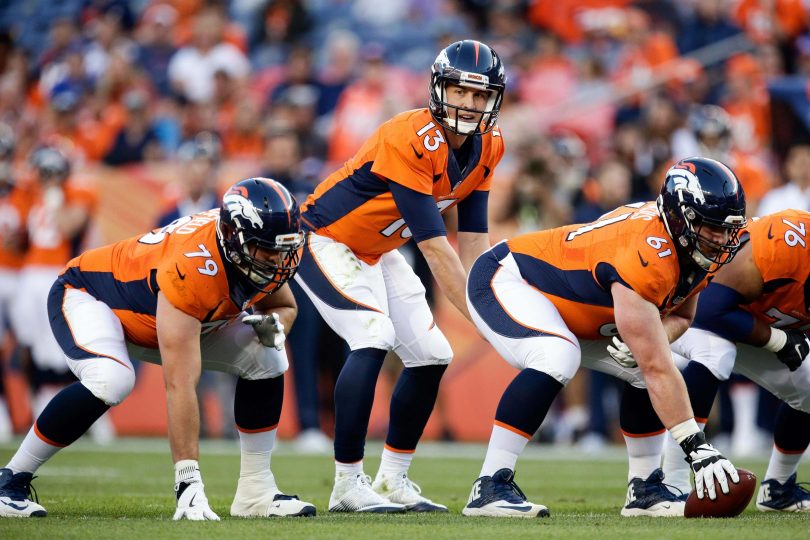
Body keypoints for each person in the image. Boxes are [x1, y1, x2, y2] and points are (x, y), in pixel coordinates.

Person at [0, 177, 316, 520]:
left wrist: (275, 328)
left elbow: (285, 306)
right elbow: (179, 383)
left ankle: (256, 491)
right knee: (113, 379)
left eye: (283, 248)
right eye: (267, 249)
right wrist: (188, 483)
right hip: (90, 296)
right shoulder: (195, 266)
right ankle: (10, 480)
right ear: (233, 238)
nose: (277, 259)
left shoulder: (255, 251)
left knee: (268, 356)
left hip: (159, 316)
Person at [461, 157, 747, 518]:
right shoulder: (647, 253)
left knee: (650, 366)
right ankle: (489, 485)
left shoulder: (693, 249)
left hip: (572, 308)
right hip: (507, 278)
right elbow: (658, 367)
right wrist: (697, 447)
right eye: (709, 227)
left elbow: (683, 317)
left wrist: (651, 336)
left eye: (726, 228)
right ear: (680, 217)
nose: (720, 238)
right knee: (559, 354)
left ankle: (646, 489)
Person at [294, 39, 506, 513]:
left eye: (479, 95)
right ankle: (348, 484)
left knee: (432, 354)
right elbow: (434, 248)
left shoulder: (489, 145)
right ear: (437, 89)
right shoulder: (410, 136)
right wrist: (489, 321)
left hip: (378, 248)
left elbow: (472, 241)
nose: (469, 105)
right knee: (373, 335)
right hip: (325, 239)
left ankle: (393, 481)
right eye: (459, 91)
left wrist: (498, 302)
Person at [646, 209, 810, 513]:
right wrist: (778, 340)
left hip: (748, 321)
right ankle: (673, 483)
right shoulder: (789, 243)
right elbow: (710, 309)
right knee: (716, 351)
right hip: (683, 305)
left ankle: (779, 490)